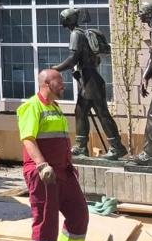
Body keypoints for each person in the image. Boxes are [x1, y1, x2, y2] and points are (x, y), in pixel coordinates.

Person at [18, 68, 88, 241]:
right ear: (47, 84)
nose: (64, 85)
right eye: (59, 81)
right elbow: (28, 139)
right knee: (47, 222)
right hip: (43, 173)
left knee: (79, 214)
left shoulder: (55, 107)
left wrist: (69, 166)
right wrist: (41, 164)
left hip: (63, 172)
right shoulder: (31, 106)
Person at [52, 8, 126, 159]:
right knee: (81, 111)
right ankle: (81, 146)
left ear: (67, 20)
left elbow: (72, 59)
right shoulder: (82, 33)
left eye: (63, 18)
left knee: (101, 113)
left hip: (91, 80)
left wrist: (55, 69)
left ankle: (117, 147)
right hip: (88, 78)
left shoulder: (76, 34)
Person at [128, 0, 152, 166]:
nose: (139, 14)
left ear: (149, 13)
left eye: (141, 11)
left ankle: (150, 155)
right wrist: (145, 77)